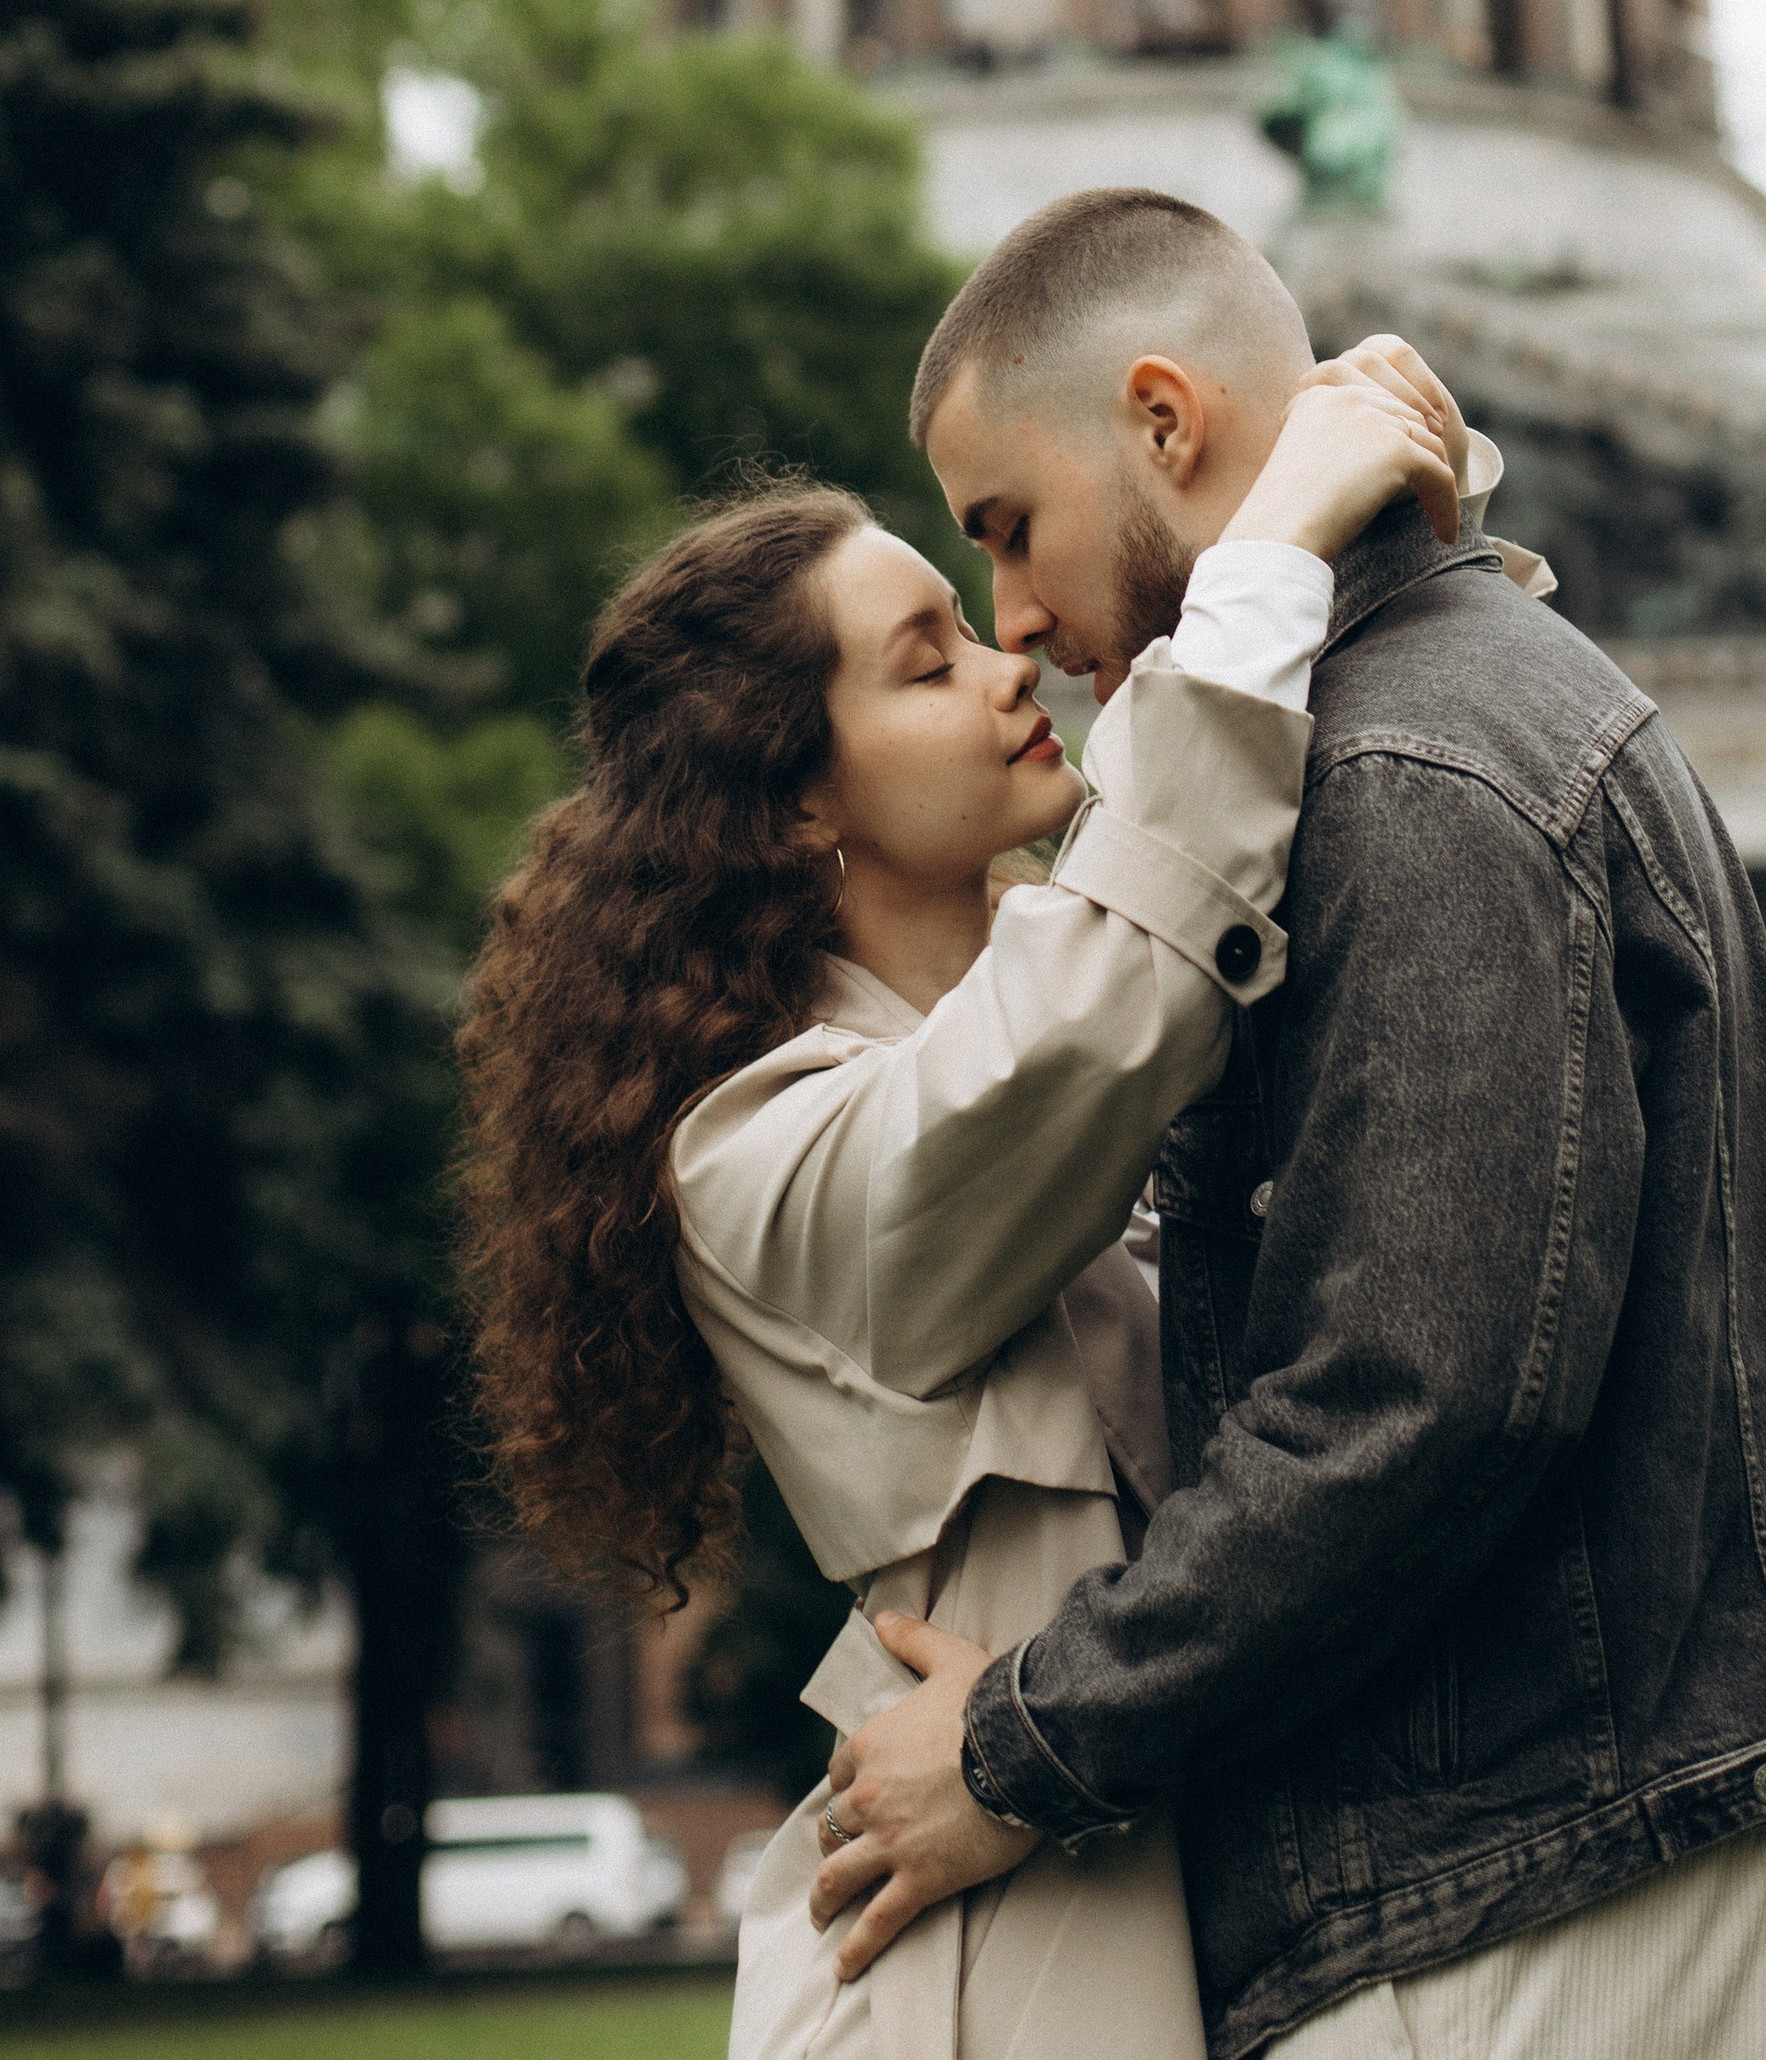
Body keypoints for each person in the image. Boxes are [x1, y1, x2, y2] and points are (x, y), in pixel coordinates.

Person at [816, 188, 1766, 2060]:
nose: (1018, 620)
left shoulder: (1402, 770)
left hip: (1523, 1870)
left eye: (1010, 532)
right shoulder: (1432, 722)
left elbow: (1415, 1400)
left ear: (1164, 422)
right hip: (1570, 1834)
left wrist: (1017, 1745)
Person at [457, 321, 1472, 2060]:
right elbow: (1088, 1016)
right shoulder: (753, 1152)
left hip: (1134, 1895)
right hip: (977, 1986)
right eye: (924, 664)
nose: (1014, 664)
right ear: (790, 809)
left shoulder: (1082, 993)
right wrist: (1264, 553)